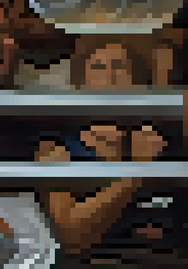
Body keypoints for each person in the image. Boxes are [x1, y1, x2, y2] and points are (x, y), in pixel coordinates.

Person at [34, 35, 184, 267]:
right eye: (98, 67)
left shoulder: (162, 144)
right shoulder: (58, 151)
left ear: (138, 82)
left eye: (120, 66)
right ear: (81, 84)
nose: (110, 77)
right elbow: (73, 238)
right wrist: (137, 170)